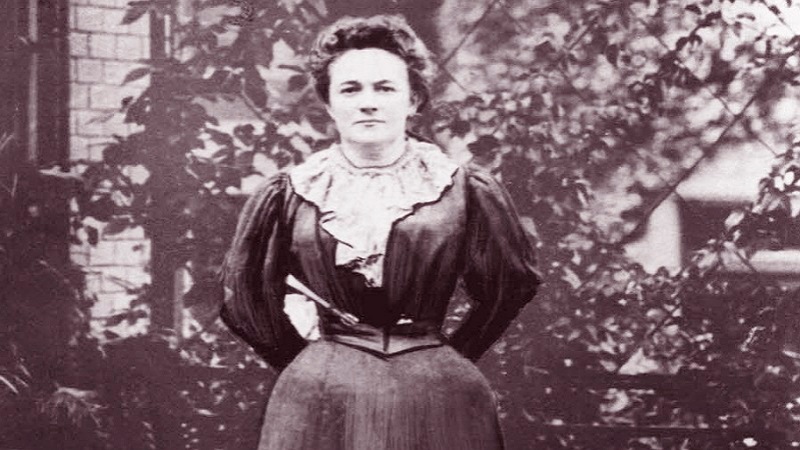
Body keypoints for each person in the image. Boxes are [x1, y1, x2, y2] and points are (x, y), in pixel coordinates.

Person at [221, 14, 541, 450]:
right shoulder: (290, 192)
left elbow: (511, 284)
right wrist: (313, 362)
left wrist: (447, 356)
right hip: (319, 395)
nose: (367, 103)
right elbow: (243, 297)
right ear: (329, 103)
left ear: (413, 100)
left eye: (385, 88)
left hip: (439, 393)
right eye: (350, 89)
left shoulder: (462, 189)